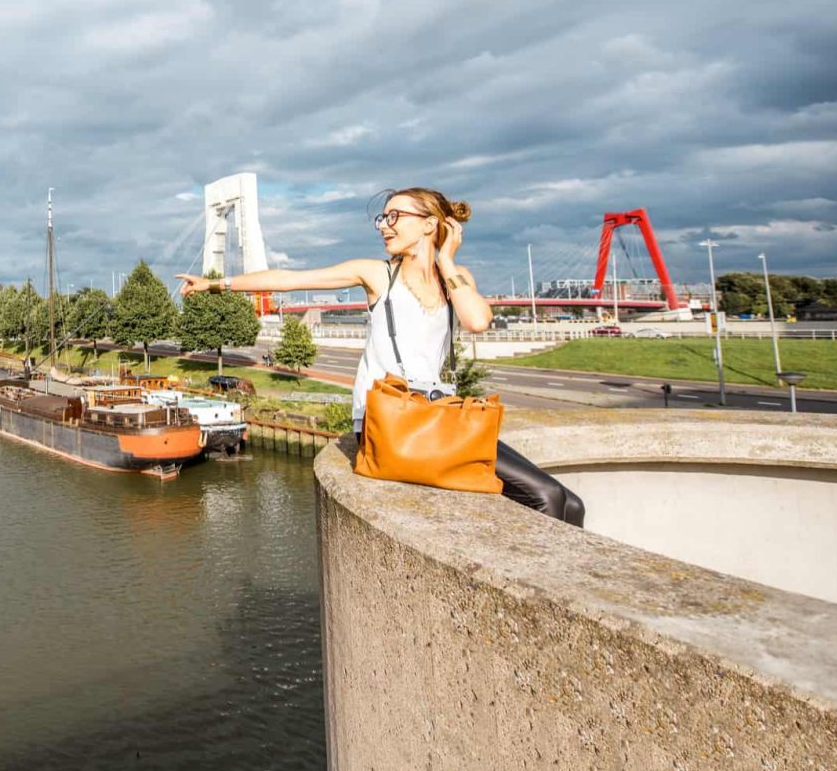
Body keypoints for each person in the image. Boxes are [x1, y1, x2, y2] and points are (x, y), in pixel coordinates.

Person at [179, 187, 583, 526]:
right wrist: (216, 284)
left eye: (395, 216)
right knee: (546, 497)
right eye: (383, 219)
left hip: (436, 412)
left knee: (573, 503)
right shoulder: (377, 274)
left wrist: (445, 258)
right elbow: (290, 279)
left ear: (429, 224)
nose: (384, 226)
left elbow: (477, 320)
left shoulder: (455, 277)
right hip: (390, 418)